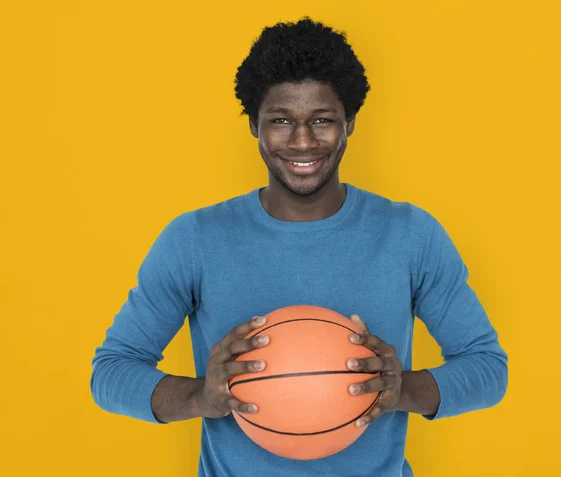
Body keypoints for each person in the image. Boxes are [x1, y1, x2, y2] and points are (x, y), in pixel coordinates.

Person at [91, 17, 508, 477]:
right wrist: (201, 398)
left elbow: (488, 369)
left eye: (323, 120)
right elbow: (110, 373)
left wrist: (401, 389)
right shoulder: (194, 239)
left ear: (349, 122)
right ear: (253, 125)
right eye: (281, 120)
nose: (303, 141)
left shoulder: (410, 234)